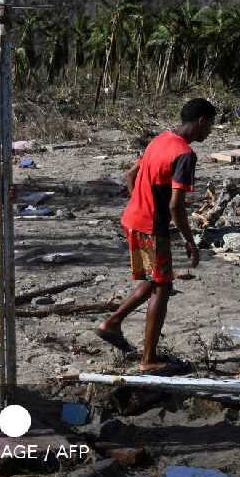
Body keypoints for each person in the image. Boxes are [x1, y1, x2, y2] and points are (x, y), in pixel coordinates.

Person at [94, 98, 216, 373]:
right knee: (162, 287)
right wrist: (189, 239)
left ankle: (111, 323)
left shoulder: (161, 138)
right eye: (210, 125)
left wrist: (138, 201)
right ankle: (148, 359)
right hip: (151, 226)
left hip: (133, 219)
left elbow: (131, 174)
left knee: (156, 277)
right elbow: (175, 205)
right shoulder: (185, 154)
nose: (209, 132)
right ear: (201, 121)